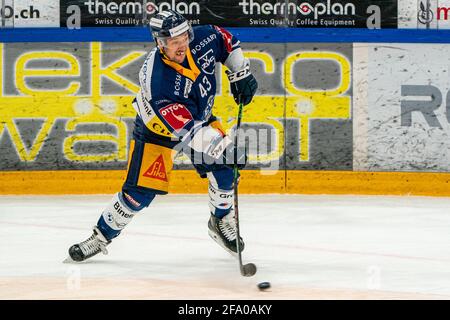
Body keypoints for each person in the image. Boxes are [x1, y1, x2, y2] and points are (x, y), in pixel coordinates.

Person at [65, 10, 258, 262]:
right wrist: (222, 148)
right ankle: (99, 237)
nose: (182, 45)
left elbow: (226, 40)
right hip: (158, 130)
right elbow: (188, 132)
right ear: (160, 42)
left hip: (197, 119)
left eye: (184, 37)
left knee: (225, 171)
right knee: (138, 195)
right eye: (174, 41)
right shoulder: (157, 80)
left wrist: (239, 72)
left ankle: (220, 223)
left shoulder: (203, 38)